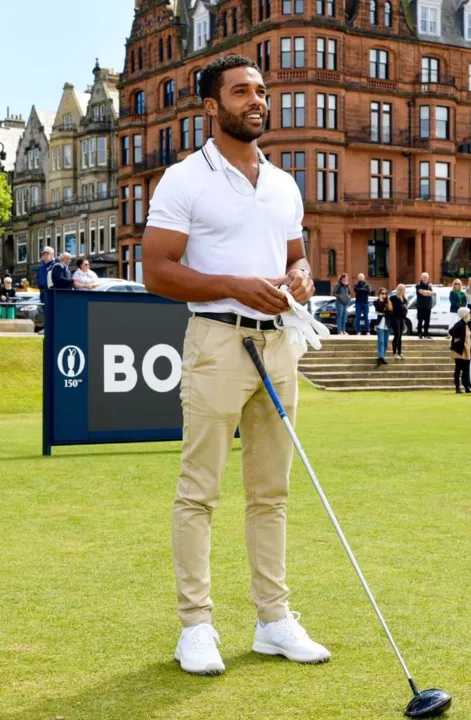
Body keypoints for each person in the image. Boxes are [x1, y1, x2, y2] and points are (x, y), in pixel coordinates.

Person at [142, 54, 330, 676]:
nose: (258, 100)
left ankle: (273, 621)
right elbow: (158, 270)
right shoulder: (183, 179)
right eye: (243, 91)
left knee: (271, 494)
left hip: (279, 345)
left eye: (262, 91)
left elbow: (298, 254)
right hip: (218, 343)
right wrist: (231, 286)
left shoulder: (283, 182)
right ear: (211, 106)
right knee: (200, 492)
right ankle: (195, 627)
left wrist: (301, 277)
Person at [449, 306, 471, 394]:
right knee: (458, 369)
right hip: (459, 350)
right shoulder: (459, 324)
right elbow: (451, 331)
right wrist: (457, 339)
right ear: (465, 315)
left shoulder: (468, 324)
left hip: (466, 349)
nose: (470, 315)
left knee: (466, 369)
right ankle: (457, 387)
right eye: (469, 313)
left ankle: (467, 386)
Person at [373, 287, 392, 365]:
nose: (384, 295)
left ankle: (382, 357)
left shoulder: (389, 302)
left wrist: (385, 312)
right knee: (381, 341)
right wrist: (380, 300)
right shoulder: (376, 302)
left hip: (387, 324)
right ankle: (380, 357)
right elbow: (379, 309)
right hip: (380, 324)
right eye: (382, 293)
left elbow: (390, 313)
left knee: (386, 342)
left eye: (385, 293)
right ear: (379, 294)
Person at [390, 283, 408, 359]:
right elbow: (390, 307)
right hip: (395, 318)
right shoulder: (393, 298)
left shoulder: (405, 299)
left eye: (404, 290)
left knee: (400, 335)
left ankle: (400, 352)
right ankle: (394, 352)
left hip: (402, 318)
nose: (404, 291)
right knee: (396, 334)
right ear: (399, 289)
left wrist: (405, 307)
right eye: (403, 289)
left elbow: (406, 310)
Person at [415, 271, 434, 339]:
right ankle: (419, 333)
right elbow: (422, 293)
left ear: (428, 278)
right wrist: (428, 292)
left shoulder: (429, 285)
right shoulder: (418, 285)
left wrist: (427, 292)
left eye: (426, 277)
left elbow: (433, 292)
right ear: (421, 277)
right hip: (420, 306)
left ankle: (426, 333)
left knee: (427, 321)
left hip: (428, 306)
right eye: (424, 277)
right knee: (420, 321)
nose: (425, 278)